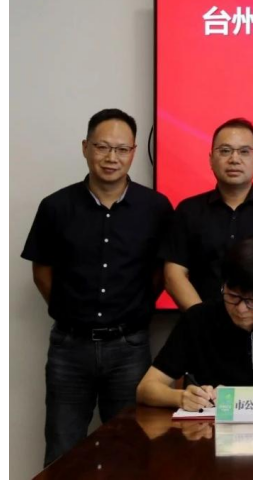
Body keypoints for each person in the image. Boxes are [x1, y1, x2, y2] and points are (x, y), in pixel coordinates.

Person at [22, 109, 174, 465]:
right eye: (102, 147)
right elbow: (42, 272)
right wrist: (71, 311)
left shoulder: (156, 208)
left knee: (131, 451)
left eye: (121, 149)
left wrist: (133, 309)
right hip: (69, 348)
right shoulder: (56, 206)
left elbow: (160, 273)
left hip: (129, 348)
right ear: (85, 148)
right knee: (62, 449)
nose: (111, 157)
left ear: (133, 152)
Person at [137, 235, 253, 409]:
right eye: (233, 296)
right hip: (212, 429)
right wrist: (180, 397)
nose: (241, 309)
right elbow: (146, 388)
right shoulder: (199, 318)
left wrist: (239, 397)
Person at [161, 118, 253, 310]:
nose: (234, 159)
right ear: (211, 159)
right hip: (203, 322)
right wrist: (201, 318)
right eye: (225, 151)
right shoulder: (188, 210)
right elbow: (173, 275)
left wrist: (252, 311)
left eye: (244, 152)